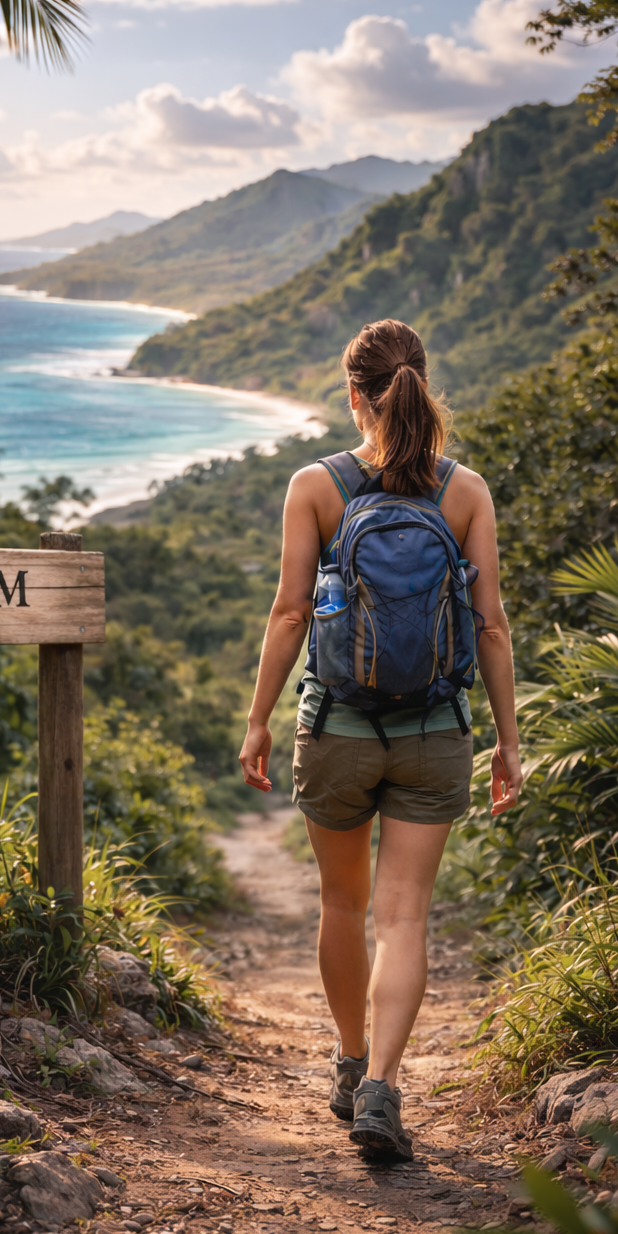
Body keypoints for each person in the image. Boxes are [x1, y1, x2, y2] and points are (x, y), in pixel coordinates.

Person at [238, 318, 522, 1161]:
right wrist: (507, 741)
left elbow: (291, 613)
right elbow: (492, 626)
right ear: (423, 385)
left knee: (343, 905)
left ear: (353, 393)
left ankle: (349, 1060)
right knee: (404, 917)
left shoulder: (316, 485)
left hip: (337, 729)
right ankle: (383, 1092)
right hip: (436, 730)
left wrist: (257, 719)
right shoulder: (464, 490)